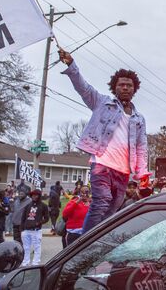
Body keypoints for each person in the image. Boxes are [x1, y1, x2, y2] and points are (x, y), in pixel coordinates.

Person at [58, 49, 151, 233]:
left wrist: (142, 173)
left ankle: (97, 245)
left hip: (123, 171)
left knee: (112, 211)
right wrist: (71, 64)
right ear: (114, 87)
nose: (125, 88)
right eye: (121, 84)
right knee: (101, 202)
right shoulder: (102, 102)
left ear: (134, 90)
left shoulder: (139, 119)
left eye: (129, 85)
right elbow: (83, 88)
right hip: (101, 165)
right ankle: (83, 247)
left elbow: (142, 148)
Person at [21, 189, 49, 266]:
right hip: (26, 230)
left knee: (37, 247)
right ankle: (25, 262)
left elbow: (47, 218)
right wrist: (22, 229)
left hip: (36, 230)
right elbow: (23, 218)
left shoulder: (43, 206)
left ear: (39, 196)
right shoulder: (28, 206)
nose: (34, 196)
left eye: (36, 195)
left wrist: (39, 223)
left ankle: (35, 262)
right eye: (33, 195)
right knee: (26, 247)